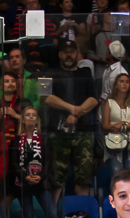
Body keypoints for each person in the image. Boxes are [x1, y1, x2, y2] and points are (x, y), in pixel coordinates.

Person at [44, 40, 97, 205]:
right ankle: (54, 216)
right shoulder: (49, 72)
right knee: (55, 179)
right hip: (57, 132)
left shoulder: (86, 73)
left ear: (77, 54)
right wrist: (72, 109)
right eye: (65, 52)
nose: (69, 55)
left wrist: (77, 114)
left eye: (72, 52)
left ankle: (84, 214)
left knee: (84, 178)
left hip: (83, 131)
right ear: (60, 54)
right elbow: (46, 98)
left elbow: (94, 99)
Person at [15, 104, 59, 218]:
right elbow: (14, 163)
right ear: (23, 119)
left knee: (52, 215)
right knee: (28, 217)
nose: (31, 117)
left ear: (37, 120)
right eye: (28, 115)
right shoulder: (17, 140)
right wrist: (25, 177)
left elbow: (48, 161)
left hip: (41, 182)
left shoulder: (44, 139)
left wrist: (40, 177)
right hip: (24, 183)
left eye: (33, 115)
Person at [101, 71, 130, 173]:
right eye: (121, 81)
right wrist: (118, 126)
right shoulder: (109, 103)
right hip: (115, 141)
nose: (124, 84)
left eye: (127, 82)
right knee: (117, 174)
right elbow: (105, 125)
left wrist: (122, 125)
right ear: (116, 85)